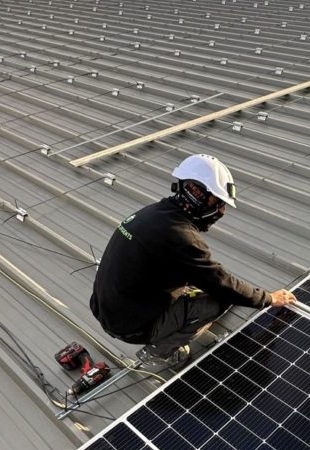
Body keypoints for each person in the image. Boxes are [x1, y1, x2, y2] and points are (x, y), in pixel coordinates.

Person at [90, 154, 296, 369]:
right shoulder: (180, 236)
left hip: (107, 308)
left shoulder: (156, 213)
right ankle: (160, 351)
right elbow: (222, 284)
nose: (221, 212)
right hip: (129, 326)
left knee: (195, 286)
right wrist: (269, 298)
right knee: (218, 300)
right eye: (217, 202)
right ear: (196, 195)